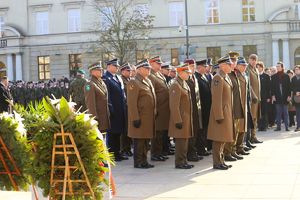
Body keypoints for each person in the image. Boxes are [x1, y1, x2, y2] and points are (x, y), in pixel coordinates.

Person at [127, 59, 156, 169]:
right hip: (140, 117)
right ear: (139, 70)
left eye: (149, 68)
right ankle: (138, 162)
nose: (149, 70)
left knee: (145, 140)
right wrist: (135, 118)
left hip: (147, 117)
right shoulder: (133, 82)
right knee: (139, 141)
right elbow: (131, 102)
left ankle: (144, 161)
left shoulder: (147, 80)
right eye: (146, 68)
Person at [207, 55, 234, 170]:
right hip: (221, 113)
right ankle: (217, 162)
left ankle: (221, 160)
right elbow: (216, 98)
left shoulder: (225, 77)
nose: (231, 66)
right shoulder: (218, 78)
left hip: (226, 112)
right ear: (222, 66)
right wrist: (218, 115)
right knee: (218, 139)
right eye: (229, 64)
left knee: (223, 138)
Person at [169, 63, 194, 169]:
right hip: (180, 118)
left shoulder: (183, 83)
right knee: (180, 142)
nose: (189, 74)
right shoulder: (176, 84)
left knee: (184, 141)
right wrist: (177, 120)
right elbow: (174, 105)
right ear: (180, 73)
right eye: (187, 72)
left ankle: (183, 160)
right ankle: (179, 162)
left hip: (186, 118)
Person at [102, 58, 128, 161]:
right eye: (115, 66)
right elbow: (107, 96)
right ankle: (112, 154)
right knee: (112, 133)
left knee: (118, 132)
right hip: (113, 110)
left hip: (120, 109)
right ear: (108, 66)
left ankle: (118, 152)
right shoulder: (106, 78)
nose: (117, 68)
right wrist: (110, 109)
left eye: (117, 66)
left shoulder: (117, 77)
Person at [148, 56, 170, 162]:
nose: (160, 65)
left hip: (164, 108)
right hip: (158, 109)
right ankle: (154, 154)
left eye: (160, 64)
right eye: (158, 63)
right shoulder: (151, 76)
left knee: (161, 133)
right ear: (151, 63)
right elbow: (152, 94)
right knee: (156, 134)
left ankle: (159, 152)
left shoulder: (159, 74)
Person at [224, 51, 244, 162]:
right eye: (233, 60)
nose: (234, 62)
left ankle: (232, 150)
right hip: (230, 108)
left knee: (235, 131)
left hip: (236, 107)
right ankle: (227, 152)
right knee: (230, 132)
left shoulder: (235, 73)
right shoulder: (228, 75)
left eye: (235, 60)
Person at [184, 59, 204, 162]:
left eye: (194, 66)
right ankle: (189, 154)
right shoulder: (185, 79)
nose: (193, 68)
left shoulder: (194, 77)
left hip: (196, 110)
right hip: (188, 110)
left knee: (195, 132)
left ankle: (193, 152)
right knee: (190, 134)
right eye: (191, 66)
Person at [84, 61, 110, 133]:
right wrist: (94, 118)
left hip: (104, 117)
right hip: (98, 118)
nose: (101, 71)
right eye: (99, 70)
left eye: (101, 69)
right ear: (92, 71)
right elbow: (90, 103)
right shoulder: (90, 84)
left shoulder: (101, 82)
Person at [195, 59, 212, 154]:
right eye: (204, 67)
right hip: (201, 108)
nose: (206, 68)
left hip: (207, 107)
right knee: (201, 130)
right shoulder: (196, 77)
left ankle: (204, 146)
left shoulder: (203, 76)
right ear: (199, 67)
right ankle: (200, 149)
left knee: (205, 129)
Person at [235, 57, 251, 156]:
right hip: (238, 105)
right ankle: (234, 149)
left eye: (245, 65)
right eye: (243, 65)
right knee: (238, 128)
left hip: (244, 104)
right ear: (237, 66)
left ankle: (240, 147)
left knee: (243, 128)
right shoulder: (235, 75)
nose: (245, 67)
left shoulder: (244, 75)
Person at [247, 54, 263, 143]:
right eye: (252, 59)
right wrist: (253, 95)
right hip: (252, 99)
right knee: (251, 118)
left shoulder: (256, 69)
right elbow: (249, 85)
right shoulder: (247, 69)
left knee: (255, 118)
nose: (253, 61)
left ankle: (254, 137)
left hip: (257, 99)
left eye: (255, 59)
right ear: (249, 59)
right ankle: (249, 138)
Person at [271, 62, 291, 131]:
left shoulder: (286, 76)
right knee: (278, 113)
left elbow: (289, 87)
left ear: (282, 67)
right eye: (276, 66)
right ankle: (278, 127)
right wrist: (273, 96)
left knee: (285, 113)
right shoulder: (273, 77)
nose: (277, 67)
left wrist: (289, 96)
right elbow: (272, 88)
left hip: (285, 97)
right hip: (277, 97)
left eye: (278, 66)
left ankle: (287, 127)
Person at [120, 63, 133, 157]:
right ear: (123, 71)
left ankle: (128, 148)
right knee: (124, 130)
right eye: (128, 71)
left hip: (130, 107)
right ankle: (124, 149)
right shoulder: (121, 80)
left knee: (129, 129)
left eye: (130, 71)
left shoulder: (129, 80)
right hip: (124, 107)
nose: (130, 72)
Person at [257, 62, 271, 131]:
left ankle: (265, 126)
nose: (258, 68)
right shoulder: (256, 75)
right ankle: (260, 126)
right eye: (257, 67)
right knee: (259, 111)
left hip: (265, 96)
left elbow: (269, 88)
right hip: (257, 97)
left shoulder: (266, 76)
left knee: (265, 111)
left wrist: (269, 97)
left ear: (262, 67)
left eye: (259, 67)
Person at [291, 65, 300, 132]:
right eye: (295, 69)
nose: (296, 70)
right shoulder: (293, 78)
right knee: (297, 113)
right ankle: (298, 126)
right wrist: (296, 92)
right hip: (296, 98)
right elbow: (292, 87)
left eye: (297, 69)